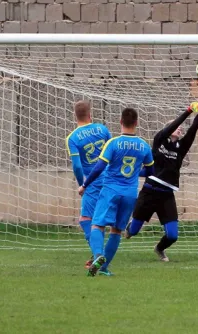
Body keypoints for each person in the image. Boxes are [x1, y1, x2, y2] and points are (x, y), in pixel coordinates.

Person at [124, 98, 198, 262]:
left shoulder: (181, 148)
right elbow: (173, 125)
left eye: (180, 128)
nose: (180, 128)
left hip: (167, 195)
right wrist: (188, 110)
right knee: (132, 232)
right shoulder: (159, 141)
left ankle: (159, 249)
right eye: (176, 126)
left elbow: (194, 129)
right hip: (149, 192)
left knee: (173, 235)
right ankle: (131, 226)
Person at [78, 107, 154, 276]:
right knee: (116, 230)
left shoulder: (113, 143)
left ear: (120, 122)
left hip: (111, 190)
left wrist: (85, 185)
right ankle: (104, 268)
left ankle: (98, 256)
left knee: (97, 224)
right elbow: (150, 172)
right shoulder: (144, 146)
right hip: (129, 194)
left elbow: (99, 167)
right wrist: (136, 172)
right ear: (136, 123)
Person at [65, 101, 111, 267]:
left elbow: (77, 165)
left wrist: (82, 184)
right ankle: (97, 254)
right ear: (90, 114)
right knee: (99, 219)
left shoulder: (73, 137)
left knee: (86, 219)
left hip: (92, 181)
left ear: (75, 116)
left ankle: (98, 254)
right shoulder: (103, 129)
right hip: (108, 179)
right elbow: (111, 152)